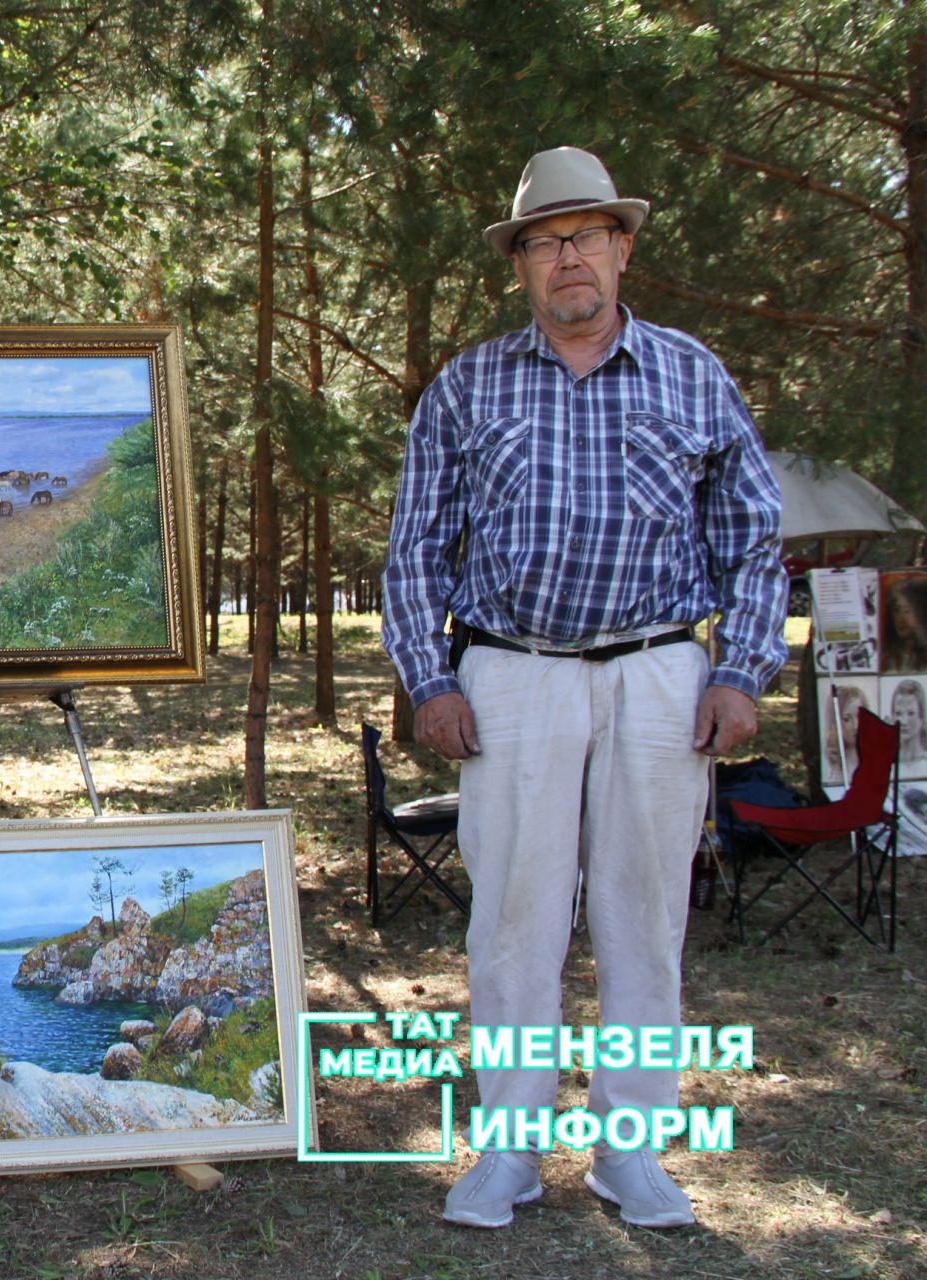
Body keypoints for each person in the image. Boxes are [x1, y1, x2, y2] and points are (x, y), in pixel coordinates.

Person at [382, 147, 786, 1230]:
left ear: (623, 247)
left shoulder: (694, 374)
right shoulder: (468, 385)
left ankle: (631, 1151)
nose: (570, 256)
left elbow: (753, 540)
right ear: (520, 263)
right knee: (514, 920)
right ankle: (508, 1150)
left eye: (588, 235)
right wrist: (429, 675)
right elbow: (414, 549)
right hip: (511, 674)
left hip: (662, 673)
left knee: (644, 917)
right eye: (546, 240)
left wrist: (742, 667)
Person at [894, 679, 927, 766]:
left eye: (911, 713)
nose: (904, 721)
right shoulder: (884, 764)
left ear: (922, 717)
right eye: (898, 713)